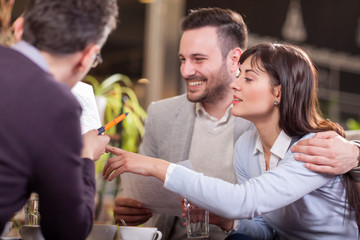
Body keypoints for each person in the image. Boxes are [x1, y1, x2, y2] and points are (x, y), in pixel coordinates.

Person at [112, 7, 360, 239]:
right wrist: (228, 222)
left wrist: (158, 167)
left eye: (248, 79)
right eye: (182, 59)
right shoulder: (246, 146)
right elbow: (265, 229)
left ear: (278, 93)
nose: (235, 84)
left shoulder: (311, 149)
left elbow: (243, 200)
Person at [0, 0, 117, 239]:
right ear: (88, 56)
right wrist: (84, 154)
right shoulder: (56, 104)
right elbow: (67, 230)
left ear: (19, 27)